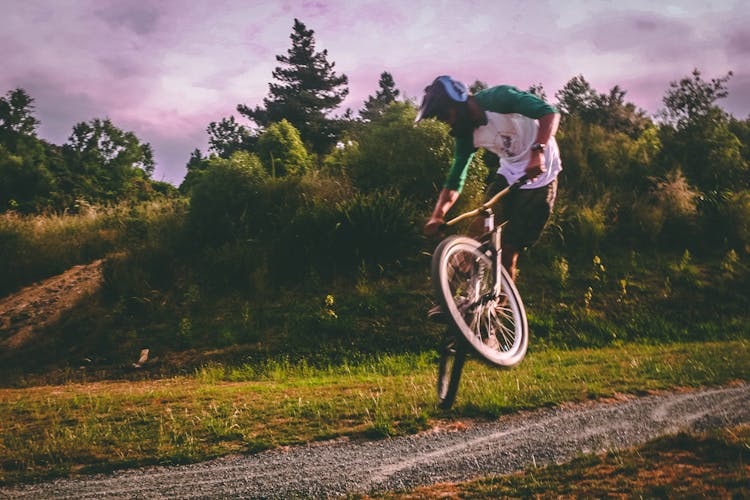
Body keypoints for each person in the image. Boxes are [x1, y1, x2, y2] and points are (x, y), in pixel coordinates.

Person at [416, 75, 561, 283]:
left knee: (510, 250)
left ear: (459, 101)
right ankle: (454, 303)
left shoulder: (498, 99)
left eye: (444, 115)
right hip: (509, 175)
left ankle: (501, 303)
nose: (446, 122)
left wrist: (537, 152)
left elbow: (549, 113)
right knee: (477, 234)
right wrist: (437, 216)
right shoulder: (465, 135)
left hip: (541, 177)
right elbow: (455, 180)